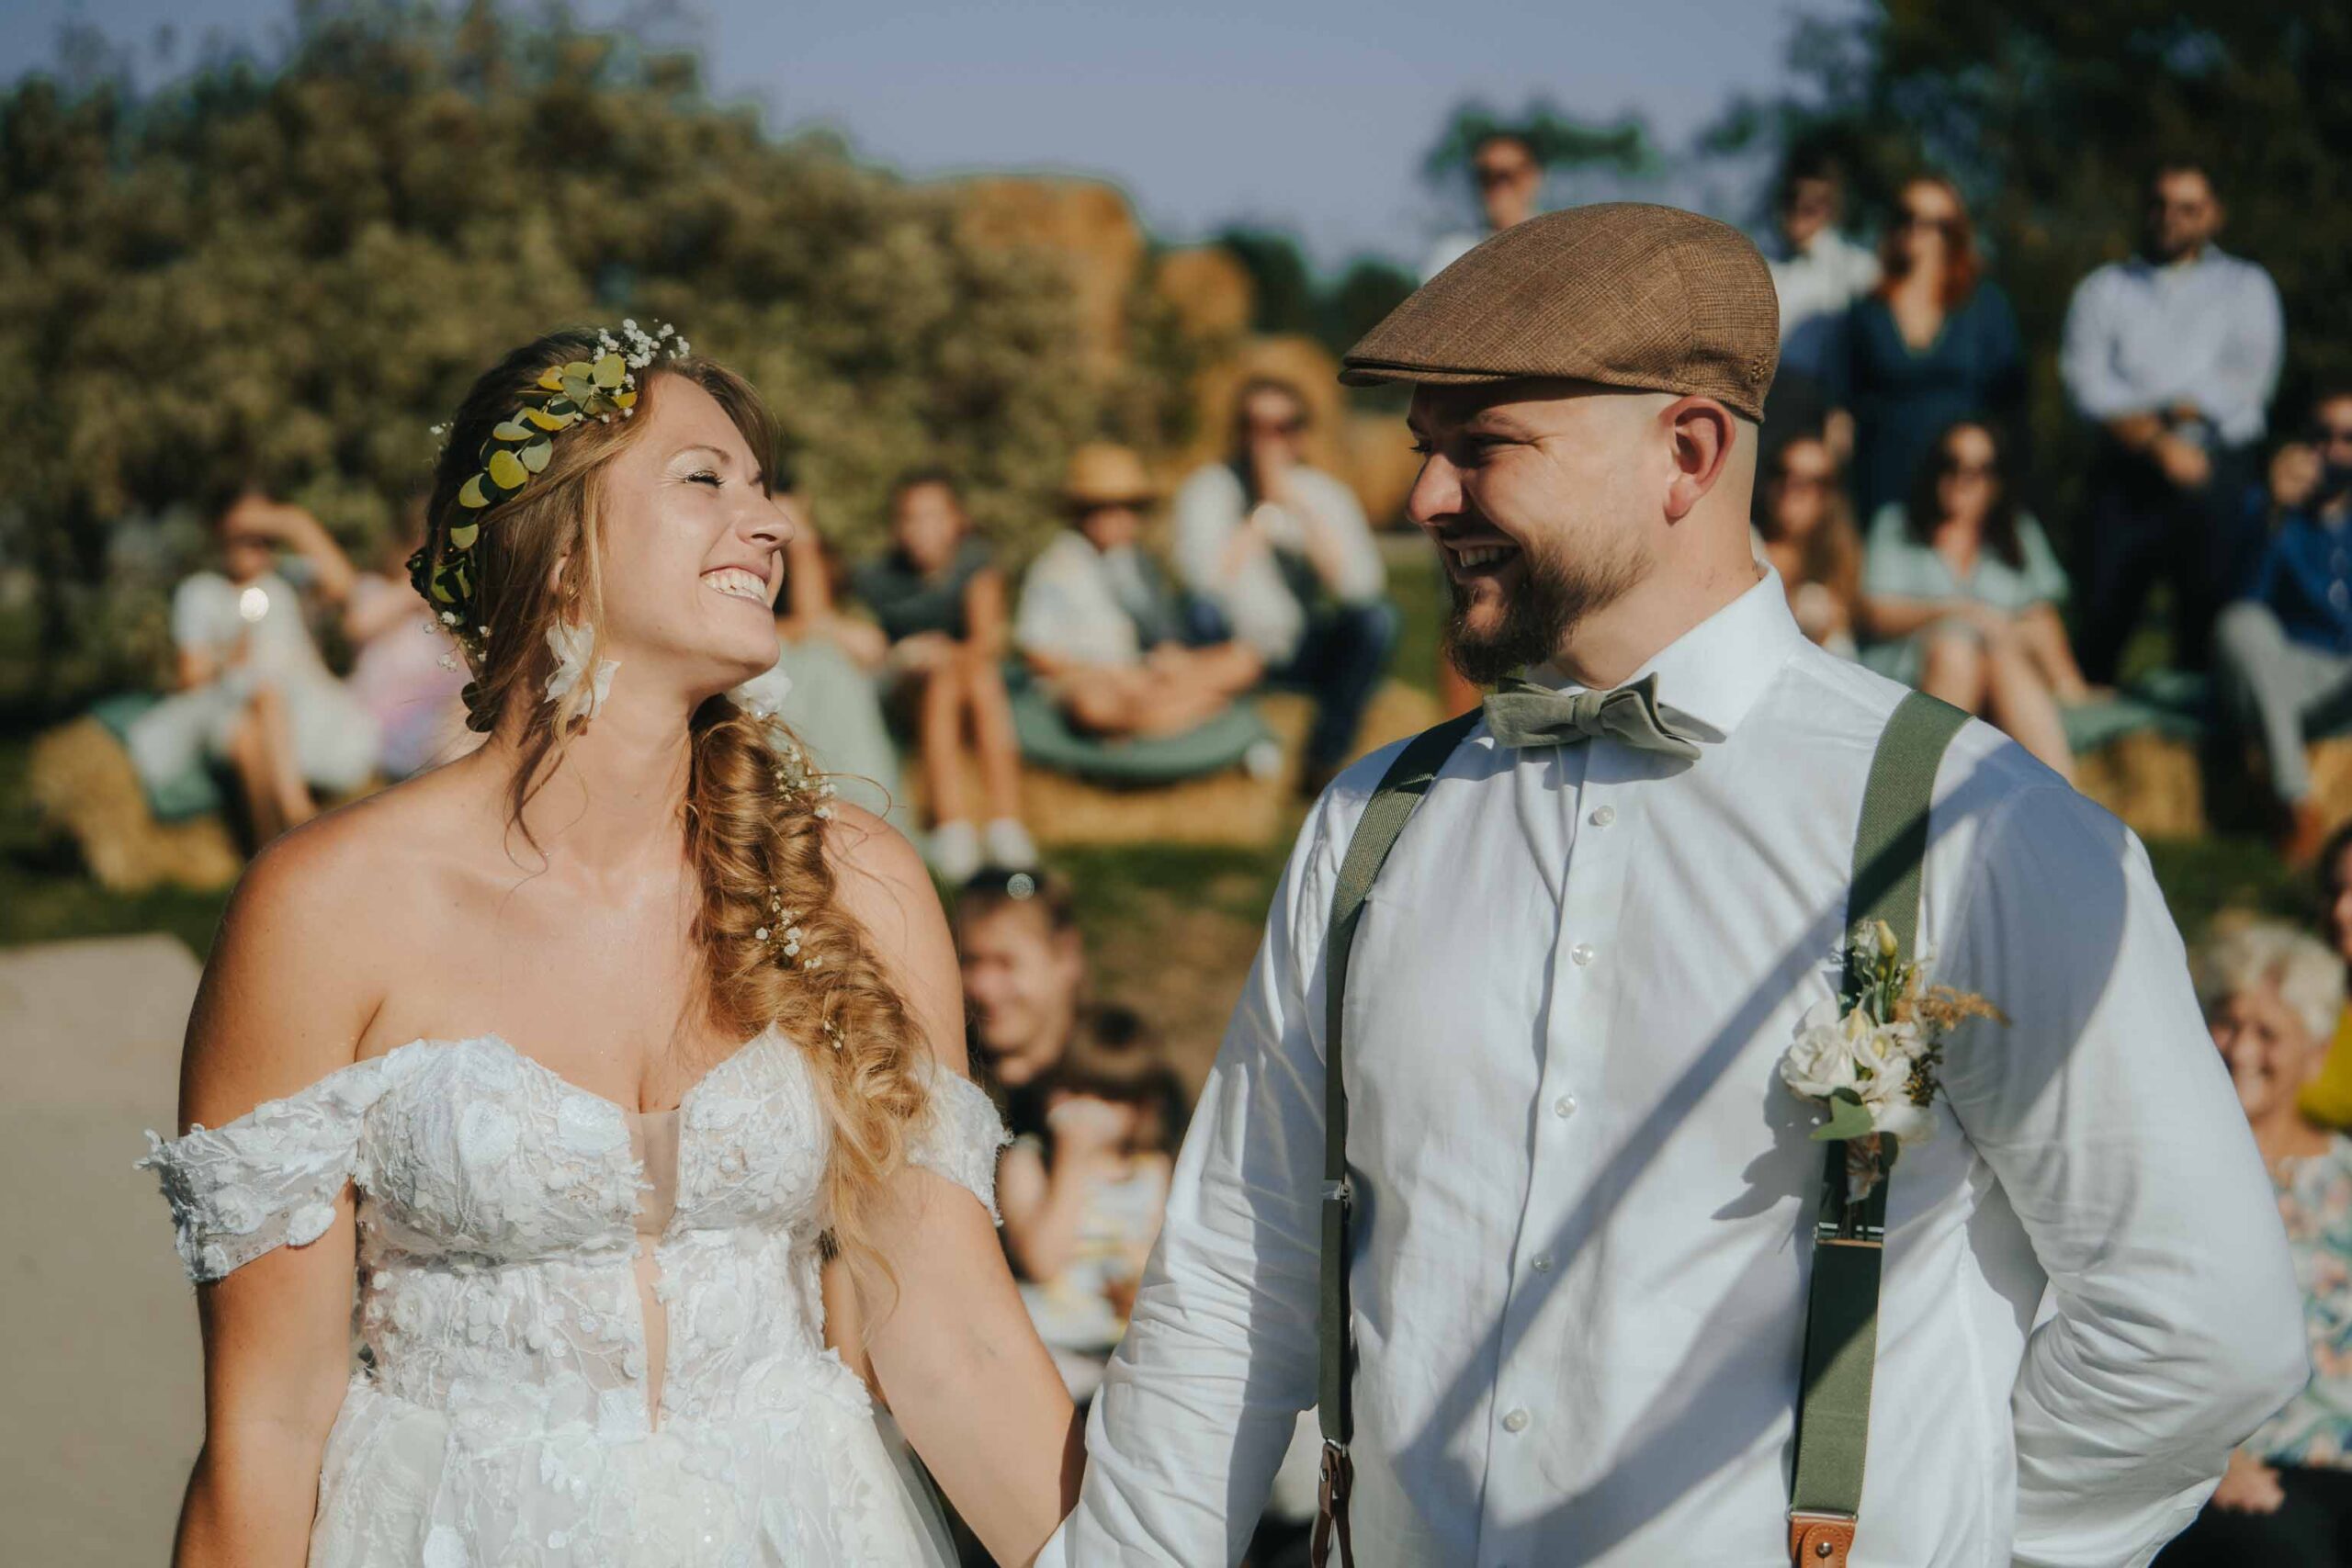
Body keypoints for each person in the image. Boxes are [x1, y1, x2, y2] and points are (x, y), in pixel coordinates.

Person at [1041, 204, 2303, 1567]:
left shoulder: (1973, 829)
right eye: (1422, 450)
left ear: (1688, 452)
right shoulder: (1366, 825)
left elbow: (2197, 1319)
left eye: (1484, 446)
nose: (1424, 501)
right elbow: (1234, 1271)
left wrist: (1962, 1534)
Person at [139, 325, 1079, 1568]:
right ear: (560, 543)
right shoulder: (327, 907)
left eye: (764, 488)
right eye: (705, 479)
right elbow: (267, 1426)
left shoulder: (856, 882)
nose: (770, 524)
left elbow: (960, 1347)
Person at [2154, 919, 2352, 1565]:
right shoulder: (2170, 1171)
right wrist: (2213, 1461)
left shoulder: (2346, 1174)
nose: (2241, 1049)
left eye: (2268, 1033)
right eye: (2227, 1022)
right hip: (2232, 1472)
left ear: (2316, 1053)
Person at [2062, 159, 2286, 684]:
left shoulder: (2246, 285)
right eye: (2160, 204)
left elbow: (2244, 382)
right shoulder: (2104, 289)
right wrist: (2159, 437)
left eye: (2188, 208)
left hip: (2216, 471)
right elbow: (2086, 385)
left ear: (2213, 214)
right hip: (2127, 471)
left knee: (2209, 634)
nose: (2171, 218)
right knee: (2099, 625)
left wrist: (2152, 412)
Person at [1172, 377, 1398, 794]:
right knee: (1202, 612)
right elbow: (1201, 584)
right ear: (1238, 431)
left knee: (1378, 620)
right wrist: (1258, 517)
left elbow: (1362, 588)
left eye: (1281, 427)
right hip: (1233, 647)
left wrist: (1299, 511)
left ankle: (1323, 761)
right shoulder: (1209, 489)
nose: (1266, 441)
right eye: (1254, 426)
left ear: (1300, 435)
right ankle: (1221, 752)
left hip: (1299, 644)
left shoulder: (1325, 494)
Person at [125, 489, 381, 843]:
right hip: (227, 702)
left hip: (299, 705)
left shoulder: (286, 579)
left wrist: (291, 523)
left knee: (251, 729)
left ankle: (276, 844)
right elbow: (191, 675)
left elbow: (344, 587)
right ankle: (297, 818)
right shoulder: (202, 591)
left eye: (263, 537)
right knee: (255, 710)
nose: (254, 544)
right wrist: (229, 657)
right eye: (243, 536)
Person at [1857, 419, 2089, 781]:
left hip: (2002, 676)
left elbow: (2040, 615)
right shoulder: (1896, 525)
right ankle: (1918, 787)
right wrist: (1961, 612)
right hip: (1910, 674)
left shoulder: (2017, 532)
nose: (1962, 478)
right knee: (1957, 647)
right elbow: (1875, 612)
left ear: (1997, 481)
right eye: (1951, 464)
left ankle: (2065, 794)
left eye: (1980, 469)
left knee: (1998, 653)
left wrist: (2068, 682)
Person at [852, 469, 1035, 881]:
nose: (922, 529)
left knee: (973, 676)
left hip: (966, 683)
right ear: (897, 526)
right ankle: (955, 824)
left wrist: (944, 652)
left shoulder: (976, 565)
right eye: (911, 518)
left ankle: (1004, 824)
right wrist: (906, 655)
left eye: (933, 516)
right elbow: (865, 645)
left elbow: (987, 641)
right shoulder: (876, 578)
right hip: (905, 689)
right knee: (947, 679)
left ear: (957, 520)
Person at [1014, 443, 1263, 742]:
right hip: (1088, 679)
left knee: (1243, 659)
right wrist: (1105, 673)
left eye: (1131, 508)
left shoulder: (1134, 562)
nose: (1123, 519)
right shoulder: (1057, 567)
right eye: (1108, 509)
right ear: (1083, 512)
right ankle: (1178, 713)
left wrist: (1168, 656)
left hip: (1139, 673)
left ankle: (1158, 713)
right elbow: (1036, 652)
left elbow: (1158, 631)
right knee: (1093, 706)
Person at [1000, 1006, 1183, 1404]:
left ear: (1139, 1108)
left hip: (1123, 1343)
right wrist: (1072, 1162)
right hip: (1050, 1343)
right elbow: (1042, 1263)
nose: (1087, 1108)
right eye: (1074, 1090)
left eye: (1108, 1096)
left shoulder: (1152, 1170)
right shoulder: (1029, 1162)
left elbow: (1159, 1263)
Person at [1831, 174, 2026, 527]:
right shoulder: (1867, 312)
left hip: (1963, 491)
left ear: (1953, 233)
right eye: (1905, 216)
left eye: (1931, 222)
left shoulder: (1985, 306)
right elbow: (1841, 413)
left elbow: (2010, 409)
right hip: (1882, 486)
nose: (1914, 229)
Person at [2212, 389, 2352, 861]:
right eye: (2321, 435)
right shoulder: (2266, 509)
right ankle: (2296, 805)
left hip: (2344, 681)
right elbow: (2241, 598)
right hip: (2284, 676)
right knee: (2240, 623)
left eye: (2348, 438)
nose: (2333, 449)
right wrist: (2273, 511)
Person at [765, 483, 906, 829]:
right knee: (819, 667)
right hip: (779, 666)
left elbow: (823, 621)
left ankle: (865, 816)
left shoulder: (832, 563)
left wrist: (804, 541)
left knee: (828, 665)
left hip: (822, 669)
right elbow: (813, 622)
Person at [341, 497, 471, 780]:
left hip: (433, 722)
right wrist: (416, 588)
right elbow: (358, 624)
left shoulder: (443, 615)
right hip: (381, 724)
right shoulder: (375, 589)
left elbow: (466, 670)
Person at [1763, 149, 1879, 453]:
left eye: (1813, 204)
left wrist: (1841, 410)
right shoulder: (1765, 266)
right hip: (1766, 396)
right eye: (1792, 199)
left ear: (1832, 207)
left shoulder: (1859, 270)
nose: (1800, 209)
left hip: (1824, 402)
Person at [1753, 432, 1861, 657]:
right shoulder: (1747, 545)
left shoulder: (1837, 571)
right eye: (1782, 472)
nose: (1789, 486)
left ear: (1829, 497)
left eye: (1809, 481)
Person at [1421, 129, 1544, 282]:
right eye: (1486, 176)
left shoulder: (1559, 245)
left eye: (1506, 176)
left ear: (1533, 178)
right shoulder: (1451, 255)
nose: (1498, 187)